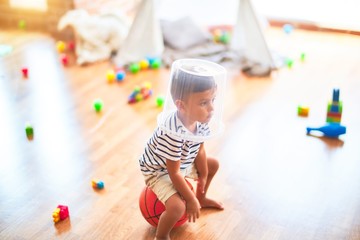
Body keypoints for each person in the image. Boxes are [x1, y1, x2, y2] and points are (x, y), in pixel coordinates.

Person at [139, 59, 225, 240]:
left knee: (212, 165)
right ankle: (161, 236)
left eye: (213, 100)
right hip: (158, 169)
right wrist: (190, 200)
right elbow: (174, 172)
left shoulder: (201, 120)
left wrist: (202, 174)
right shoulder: (173, 132)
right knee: (178, 207)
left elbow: (199, 149)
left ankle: (202, 197)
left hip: (181, 161)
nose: (211, 108)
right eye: (203, 103)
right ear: (181, 105)